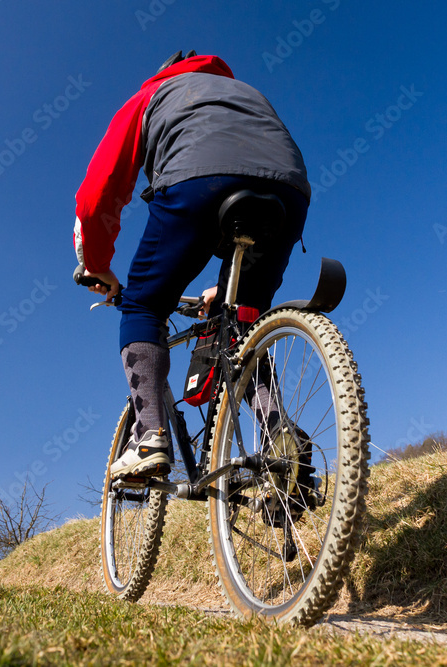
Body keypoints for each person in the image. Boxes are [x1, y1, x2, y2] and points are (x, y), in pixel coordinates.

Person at [73, 51, 311, 479]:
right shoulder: (247, 93)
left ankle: (148, 436)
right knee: (241, 320)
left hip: (199, 182)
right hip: (289, 195)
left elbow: (98, 192)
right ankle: (279, 433)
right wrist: (228, 287)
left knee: (143, 305)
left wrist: (97, 263)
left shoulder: (151, 94)